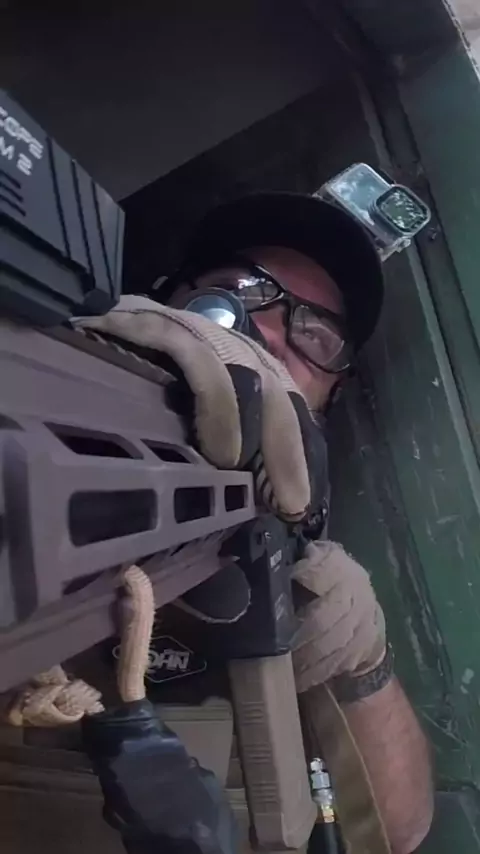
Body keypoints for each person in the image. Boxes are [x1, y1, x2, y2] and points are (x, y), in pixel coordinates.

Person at [79, 192, 433, 854]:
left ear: (328, 398)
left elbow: (399, 831)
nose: (267, 331)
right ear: (166, 301)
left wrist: (362, 659)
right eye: (239, 291)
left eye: (316, 334)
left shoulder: (302, 577)